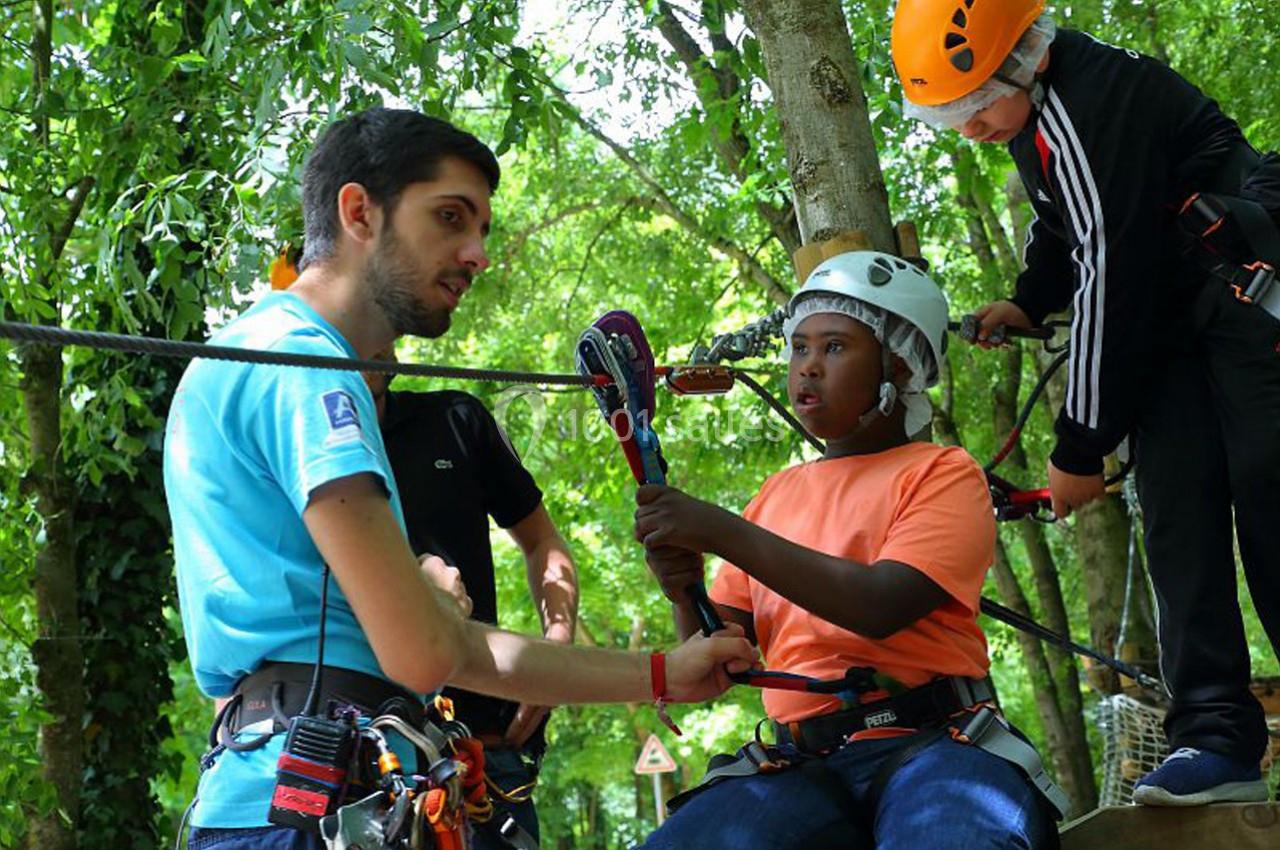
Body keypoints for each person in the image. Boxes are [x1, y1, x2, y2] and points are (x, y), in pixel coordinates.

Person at [163, 107, 755, 850]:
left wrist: (664, 672)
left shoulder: (241, 357)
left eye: (481, 230)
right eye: (450, 218)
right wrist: (433, 602)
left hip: (277, 792)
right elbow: (426, 653)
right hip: (315, 807)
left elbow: (444, 648)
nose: (477, 254)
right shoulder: (307, 375)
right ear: (359, 212)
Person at [892, 0, 1280, 805]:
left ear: (1025, 58)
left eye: (974, 107)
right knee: (1178, 514)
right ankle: (1216, 737)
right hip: (1174, 336)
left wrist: (1078, 448)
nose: (968, 129)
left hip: (1242, 310)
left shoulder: (1092, 99)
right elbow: (1061, 224)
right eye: (950, 117)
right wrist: (1031, 301)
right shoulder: (1034, 122)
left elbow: (1112, 270)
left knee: (1271, 495)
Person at [631, 252, 1060, 849]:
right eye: (799, 348)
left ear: (901, 368)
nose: (806, 368)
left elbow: (881, 605)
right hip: (797, 764)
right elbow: (722, 651)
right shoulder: (777, 494)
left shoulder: (942, 473)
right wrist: (683, 589)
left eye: (834, 348)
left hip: (934, 745)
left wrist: (721, 531)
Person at [363, 354, 577, 848]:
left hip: (481, 750)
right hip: (361, 750)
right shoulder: (295, 441)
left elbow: (543, 543)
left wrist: (556, 652)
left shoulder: (456, 419)